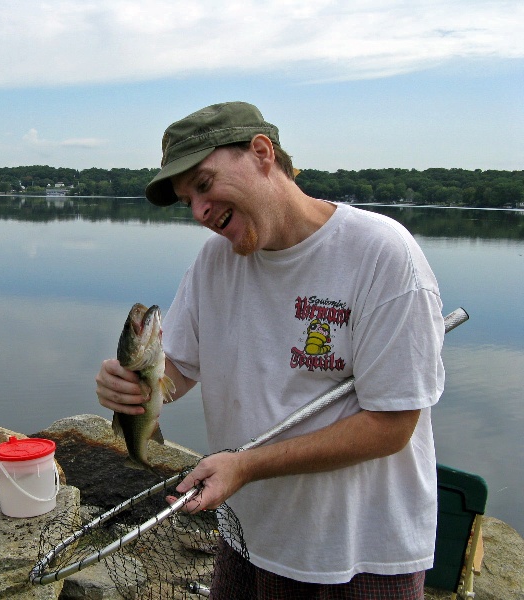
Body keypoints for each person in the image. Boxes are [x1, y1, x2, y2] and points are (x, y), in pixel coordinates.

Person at [95, 101, 445, 599]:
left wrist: (247, 465)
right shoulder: (215, 263)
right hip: (247, 537)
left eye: (203, 184)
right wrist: (130, 387)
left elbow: (391, 426)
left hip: (355, 555)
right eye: (186, 200)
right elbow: (177, 372)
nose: (198, 211)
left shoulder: (381, 256)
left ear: (261, 153)